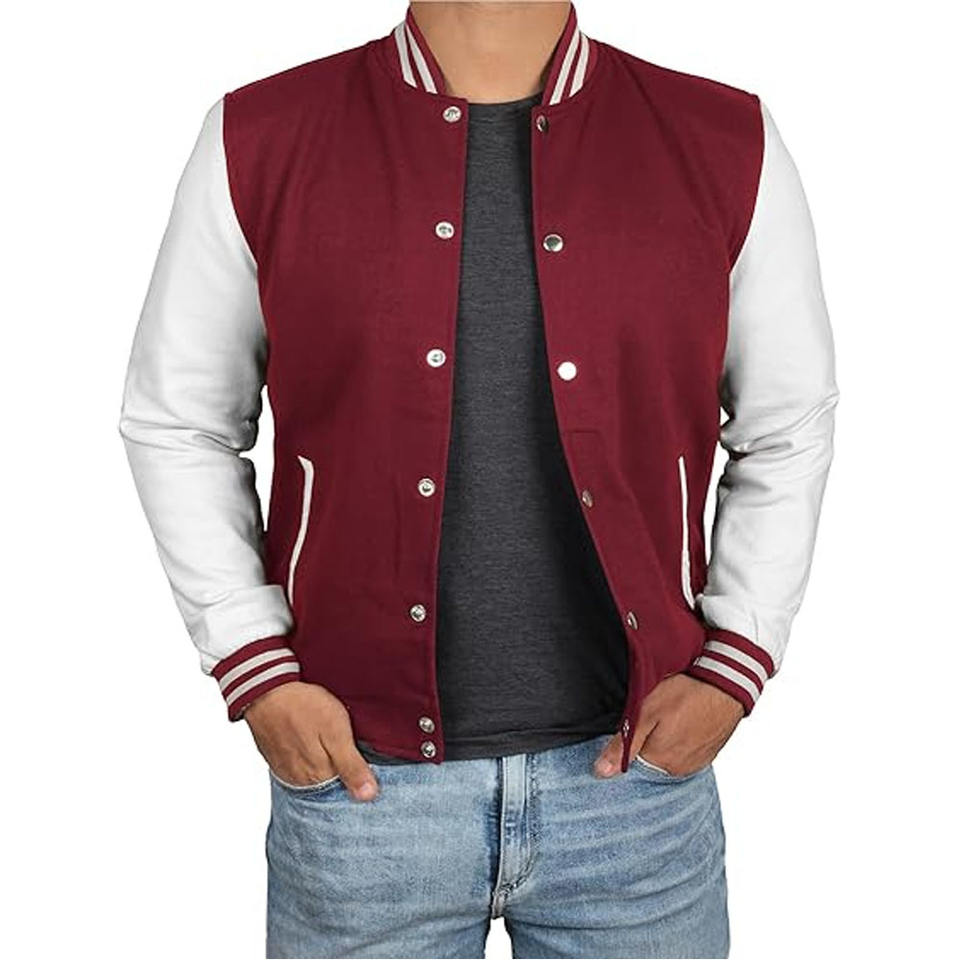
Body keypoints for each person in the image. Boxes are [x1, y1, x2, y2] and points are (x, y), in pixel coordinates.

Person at [118, 2, 838, 957]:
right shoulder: (262, 135)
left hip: (638, 790)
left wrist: (733, 664)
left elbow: (786, 425)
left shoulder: (722, 139)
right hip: (359, 789)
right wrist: (255, 668)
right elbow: (179, 421)